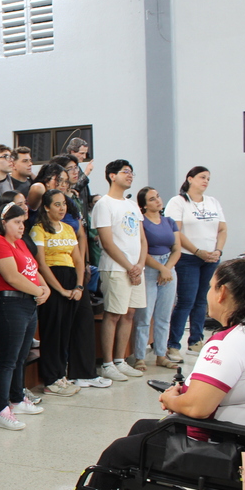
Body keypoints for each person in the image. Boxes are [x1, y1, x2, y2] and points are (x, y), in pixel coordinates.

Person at [44, 258, 245, 490]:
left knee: (120, 452)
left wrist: (171, 398)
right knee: (141, 429)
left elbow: (198, 408)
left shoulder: (229, 344)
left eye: (210, 286)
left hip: (224, 451)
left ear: (223, 292)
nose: (207, 293)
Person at [0, 200, 50, 431]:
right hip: (8, 303)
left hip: (27, 303)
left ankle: (17, 399)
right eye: (16, 222)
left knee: (21, 357)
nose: (22, 226)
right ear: (3, 222)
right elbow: (12, 277)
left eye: (23, 222)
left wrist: (45, 288)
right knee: (8, 359)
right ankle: (1, 409)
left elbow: (33, 270)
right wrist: (39, 291)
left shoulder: (19, 243)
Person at [30, 190, 94, 397]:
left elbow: (78, 259)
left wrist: (78, 286)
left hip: (72, 282)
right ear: (47, 207)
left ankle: (61, 374)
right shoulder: (38, 229)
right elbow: (41, 262)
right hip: (53, 282)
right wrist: (60, 289)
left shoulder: (68, 228)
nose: (62, 208)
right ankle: (50, 379)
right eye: (56, 204)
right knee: (52, 332)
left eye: (64, 204)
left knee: (65, 332)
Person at [92, 159, 148, 383]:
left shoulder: (132, 204)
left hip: (136, 268)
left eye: (132, 172)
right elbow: (107, 242)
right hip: (116, 268)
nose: (130, 175)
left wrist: (140, 265)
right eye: (125, 172)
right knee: (114, 314)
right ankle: (107, 363)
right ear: (112, 176)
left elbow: (142, 239)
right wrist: (129, 267)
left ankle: (120, 360)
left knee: (130, 313)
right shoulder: (104, 204)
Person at [166, 166, 227, 360]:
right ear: (190, 179)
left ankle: (196, 341)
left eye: (208, 178)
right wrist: (197, 251)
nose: (206, 181)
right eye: (202, 177)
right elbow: (177, 232)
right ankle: (174, 344)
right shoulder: (178, 202)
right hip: (188, 258)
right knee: (186, 300)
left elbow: (223, 229)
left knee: (202, 300)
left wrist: (218, 250)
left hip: (210, 258)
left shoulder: (213, 202)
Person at [132, 187, 182, 371]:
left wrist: (167, 269)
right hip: (151, 268)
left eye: (158, 197)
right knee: (144, 316)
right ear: (144, 205)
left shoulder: (169, 221)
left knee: (164, 315)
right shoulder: (142, 222)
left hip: (168, 268)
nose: (158, 201)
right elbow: (142, 250)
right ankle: (139, 357)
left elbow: (177, 248)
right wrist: (160, 268)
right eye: (152, 199)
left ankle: (161, 354)